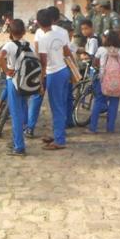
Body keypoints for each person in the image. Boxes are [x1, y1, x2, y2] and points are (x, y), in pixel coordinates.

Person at [37, 8, 72, 150]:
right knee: (62, 105)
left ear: (39, 23)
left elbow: (43, 62)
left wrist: (40, 80)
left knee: (56, 107)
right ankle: (59, 133)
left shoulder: (43, 39)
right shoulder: (61, 33)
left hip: (53, 74)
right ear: (52, 20)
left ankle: (59, 140)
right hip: (64, 70)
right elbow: (67, 52)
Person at [0, 19, 31, 156]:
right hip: (25, 82)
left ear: (10, 32)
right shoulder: (27, 45)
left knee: (15, 114)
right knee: (23, 111)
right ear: (23, 32)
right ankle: (17, 139)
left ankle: (19, 147)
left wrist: (6, 70)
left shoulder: (9, 45)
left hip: (13, 81)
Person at [86, 30, 120, 134]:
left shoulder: (101, 49)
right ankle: (110, 128)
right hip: (117, 81)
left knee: (98, 102)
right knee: (114, 103)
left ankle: (93, 127)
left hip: (102, 80)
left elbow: (95, 63)